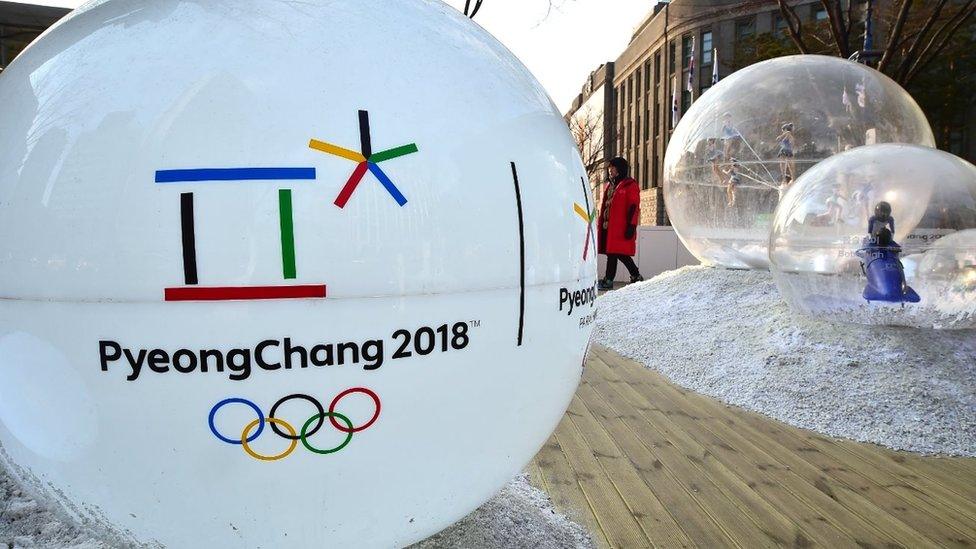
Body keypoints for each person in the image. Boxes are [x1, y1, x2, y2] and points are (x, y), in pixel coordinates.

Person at [597, 157, 643, 290]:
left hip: (620, 227)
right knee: (617, 253)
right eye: (609, 167)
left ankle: (609, 280)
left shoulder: (630, 185)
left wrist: (631, 225)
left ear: (620, 169)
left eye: (613, 167)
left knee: (615, 253)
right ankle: (635, 276)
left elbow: (634, 207)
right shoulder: (610, 185)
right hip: (609, 227)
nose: (610, 170)